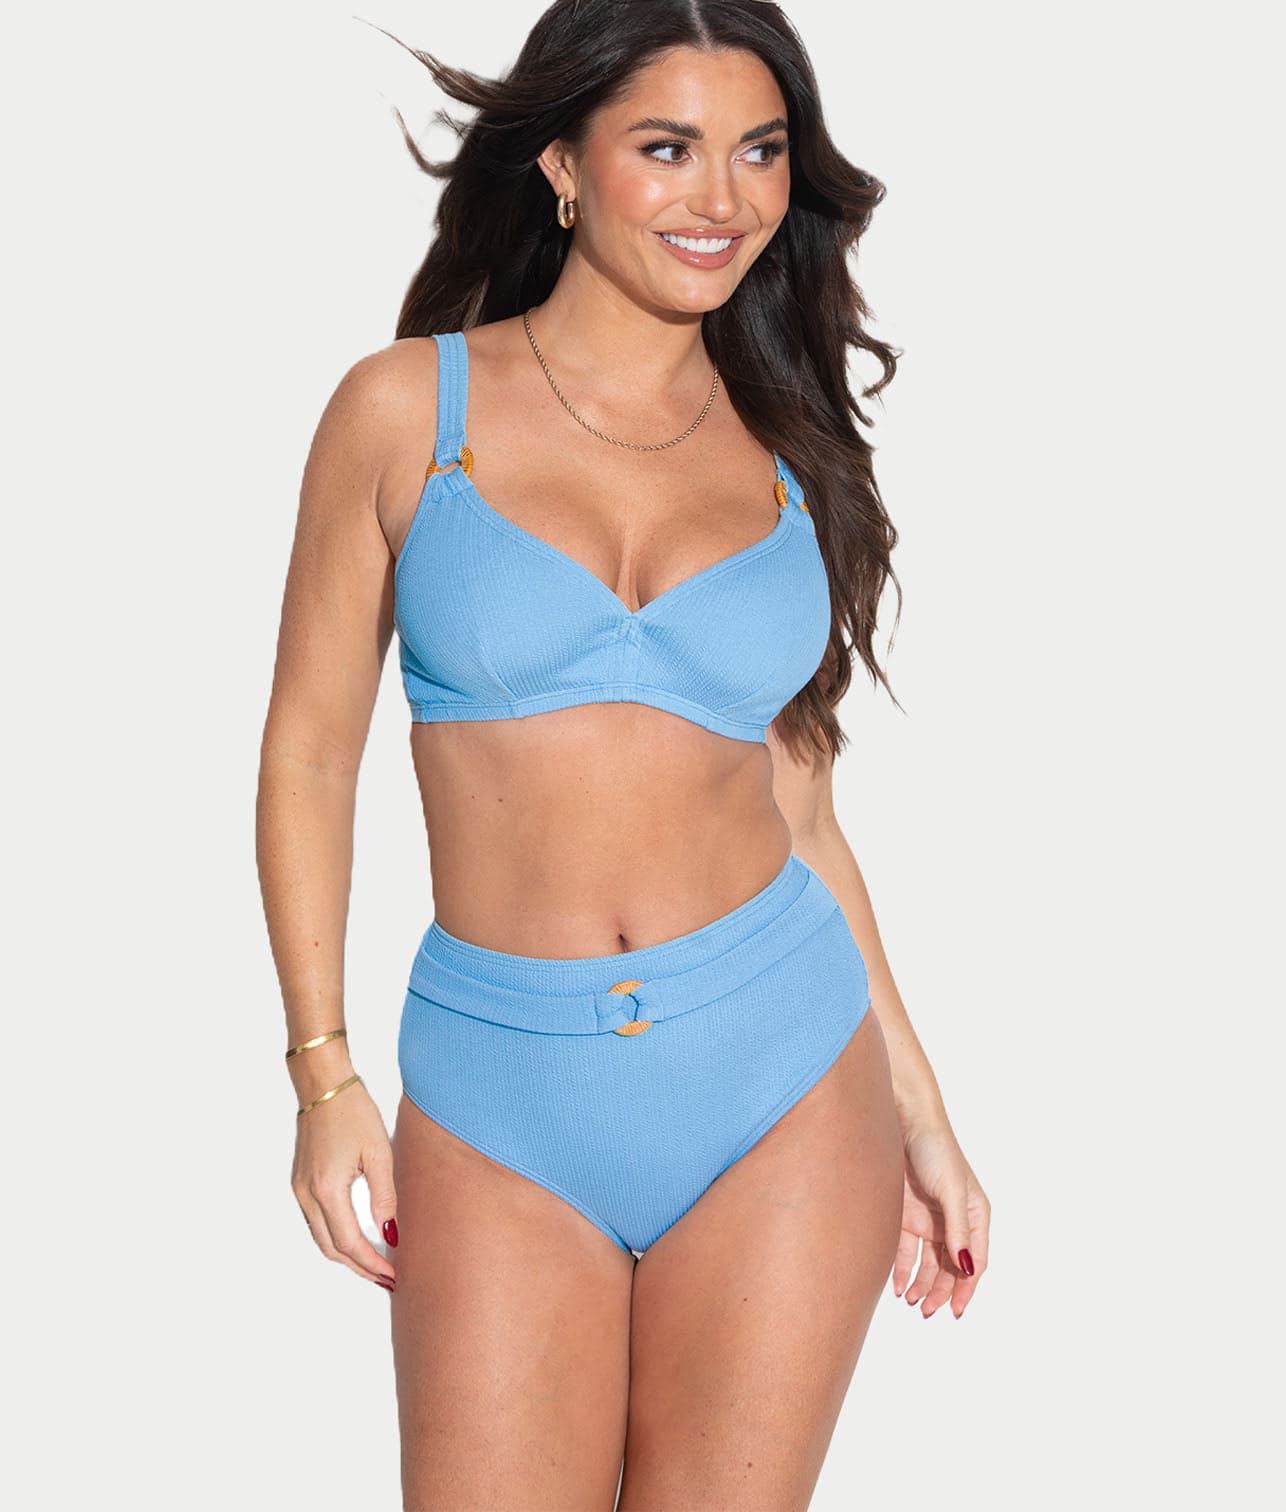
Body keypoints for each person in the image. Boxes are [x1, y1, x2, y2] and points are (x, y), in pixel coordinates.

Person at [256, 2, 991, 1505]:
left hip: (783, 1079)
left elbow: (802, 811)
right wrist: (322, 1077)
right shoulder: (406, 411)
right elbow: (309, 757)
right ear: (562, 165)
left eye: (759, 152)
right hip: (500, 1094)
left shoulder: (790, 446)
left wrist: (920, 1112)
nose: (720, 197)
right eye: (667, 148)